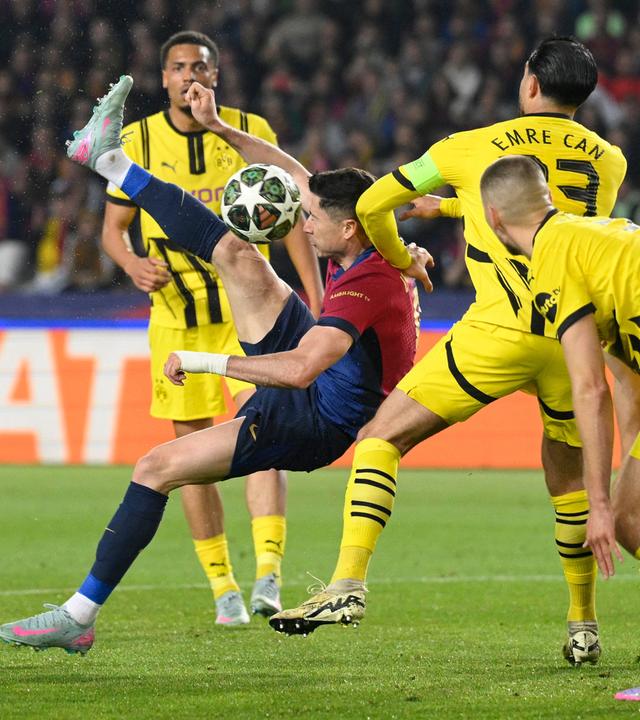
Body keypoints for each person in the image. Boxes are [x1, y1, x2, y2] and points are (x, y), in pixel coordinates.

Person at [0, 75, 429, 655]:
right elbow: (289, 171)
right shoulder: (364, 234)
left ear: (347, 228)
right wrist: (219, 127)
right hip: (323, 373)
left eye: (313, 221)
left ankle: (78, 617)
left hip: (315, 418)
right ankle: (109, 160)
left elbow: (300, 369)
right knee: (235, 252)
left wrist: (203, 361)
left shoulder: (367, 284)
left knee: (155, 467)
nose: (303, 226)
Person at [272, 36, 628, 667]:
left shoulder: (470, 146)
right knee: (568, 481)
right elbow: (539, 208)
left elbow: (372, 203)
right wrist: (456, 205)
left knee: (381, 437)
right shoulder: (609, 160)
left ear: (529, 83)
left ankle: (348, 582)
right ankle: (583, 624)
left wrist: (401, 255)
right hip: (570, 337)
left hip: (497, 333)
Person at [102, 31, 324, 625]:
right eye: (178, 67)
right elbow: (113, 229)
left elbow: (294, 223)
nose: (189, 76)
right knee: (188, 454)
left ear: (215, 75)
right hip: (177, 319)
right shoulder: (137, 139)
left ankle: (268, 574)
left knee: (264, 430)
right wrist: (131, 263)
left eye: (199, 66)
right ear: (163, 78)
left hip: (245, 318)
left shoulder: (249, 130)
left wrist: (315, 293)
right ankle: (223, 587)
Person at [480, 153, 638, 577]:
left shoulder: (553, 260)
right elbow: (624, 376)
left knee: (626, 518)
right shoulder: (598, 240)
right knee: (630, 514)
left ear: (494, 218)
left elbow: (590, 387)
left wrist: (598, 505)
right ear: (546, 196)